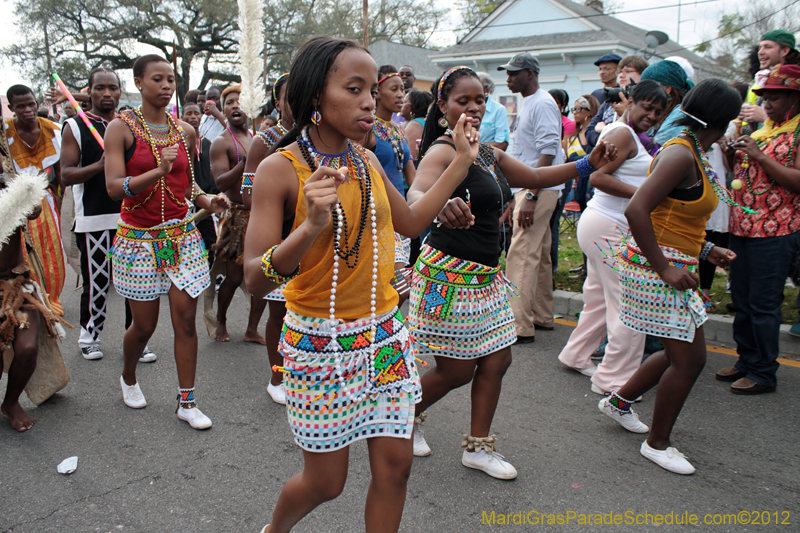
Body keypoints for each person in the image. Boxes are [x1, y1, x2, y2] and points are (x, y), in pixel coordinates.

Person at [242, 36, 486, 533]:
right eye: (353, 89)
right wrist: (309, 225)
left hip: (384, 340)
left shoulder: (365, 160)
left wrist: (460, 160)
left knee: (396, 468)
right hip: (319, 345)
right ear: (316, 96)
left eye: (371, 90)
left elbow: (413, 222)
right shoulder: (279, 169)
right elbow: (252, 276)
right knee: (326, 483)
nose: (369, 102)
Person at [407, 66, 617, 480]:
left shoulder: (488, 153)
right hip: (448, 278)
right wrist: (438, 203)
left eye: (479, 100)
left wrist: (585, 165)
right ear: (443, 106)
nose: (471, 108)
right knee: (455, 371)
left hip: (485, 279)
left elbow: (536, 177)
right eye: (461, 101)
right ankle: (404, 418)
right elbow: (416, 193)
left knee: (497, 361)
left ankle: (479, 448)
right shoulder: (443, 151)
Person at [600, 79, 741, 475]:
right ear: (724, 120)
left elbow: (674, 216)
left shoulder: (693, 149)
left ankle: (618, 402)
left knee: (678, 349)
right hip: (657, 266)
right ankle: (657, 444)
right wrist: (665, 267)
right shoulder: (682, 153)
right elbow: (638, 210)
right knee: (690, 358)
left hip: (675, 259)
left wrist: (707, 250)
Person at [104, 54, 229, 429]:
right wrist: (157, 169)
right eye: (157, 79)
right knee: (143, 326)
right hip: (138, 240)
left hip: (180, 237)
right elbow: (113, 189)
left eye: (171, 79)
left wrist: (209, 201)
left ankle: (187, 402)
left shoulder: (185, 132)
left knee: (186, 321)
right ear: (139, 82)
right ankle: (128, 376)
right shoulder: (120, 129)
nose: (166, 85)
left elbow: (187, 186)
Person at [557, 80, 667, 395]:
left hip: (603, 224)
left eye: (658, 111)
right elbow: (598, 177)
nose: (652, 115)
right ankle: (614, 380)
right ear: (629, 101)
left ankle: (576, 354)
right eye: (647, 107)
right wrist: (646, 194)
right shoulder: (622, 134)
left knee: (598, 298)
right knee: (628, 303)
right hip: (609, 225)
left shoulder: (621, 132)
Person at [59, 68, 157, 362]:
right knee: (98, 282)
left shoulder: (129, 126)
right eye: (99, 88)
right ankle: (90, 336)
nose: (107, 94)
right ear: (88, 91)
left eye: (113, 88)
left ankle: (136, 337)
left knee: (135, 282)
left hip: (132, 219)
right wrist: (100, 166)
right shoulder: (75, 126)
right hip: (93, 220)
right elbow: (66, 175)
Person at [716, 64, 800, 394]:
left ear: (794, 97)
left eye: (775, 98)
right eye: (764, 97)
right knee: (742, 300)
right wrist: (728, 154)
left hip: (777, 230)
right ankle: (746, 359)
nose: (767, 104)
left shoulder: (796, 133)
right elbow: (738, 174)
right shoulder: (761, 131)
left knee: (764, 305)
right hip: (743, 227)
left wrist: (760, 156)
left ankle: (764, 372)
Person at [499, 52, 565, 343]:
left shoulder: (542, 102)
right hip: (534, 189)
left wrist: (531, 195)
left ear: (531, 74)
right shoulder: (531, 103)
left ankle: (518, 325)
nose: (509, 78)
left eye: (514, 73)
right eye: (508, 73)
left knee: (522, 254)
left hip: (539, 189)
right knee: (538, 256)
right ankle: (541, 315)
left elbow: (549, 150)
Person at [242, 72, 294, 405]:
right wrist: (284, 202)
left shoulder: (322, 136)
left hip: (315, 239)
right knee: (280, 314)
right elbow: (248, 193)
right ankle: (277, 376)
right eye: (292, 96)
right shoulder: (265, 139)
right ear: (278, 102)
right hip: (281, 235)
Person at [208, 85, 266, 344]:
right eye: (229, 102)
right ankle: (221, 320)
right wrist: (246, 162)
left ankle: (252, 329)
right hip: (237, 216)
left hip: (260, 213)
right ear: (223, 110)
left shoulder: (255, 136)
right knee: (233, 276)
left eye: (239, 101)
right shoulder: (221, 142)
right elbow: (219, 182)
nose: (234, 105)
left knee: (265, 273)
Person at [4, 85, 67, 316]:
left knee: (52, 251)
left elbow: (62, 176)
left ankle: (51, 301)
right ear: (12, 108)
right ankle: (30, 299)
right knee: (23, 254)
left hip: (46, 202)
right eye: (21, 106)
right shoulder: (4, 133)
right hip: (15, 203)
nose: (28, 109)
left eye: (31, 104)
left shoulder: (53, 130)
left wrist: (65, 204)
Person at [364, 65, 416, 304]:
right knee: (399, 286)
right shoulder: (365, 129)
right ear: (376, 92)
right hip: (377, 215)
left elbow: (411, 176)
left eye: (402, 89)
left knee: (395, 289)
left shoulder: (398, 129)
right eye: (393, 88)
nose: (400, 95)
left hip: (400, 217)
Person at [182, 103, 218, 267]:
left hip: (205, 197)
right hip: (186, 198)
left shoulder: (208, 143)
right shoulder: (179, 142)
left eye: (196, 113)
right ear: (182, 118)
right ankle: (192, 268)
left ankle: (208, 270)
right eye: (188, 113)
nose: (193, 117)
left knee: (211, 240)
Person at [585, 55, 649, 147]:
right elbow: (589, 130)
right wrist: (603, 143)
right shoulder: (612, 99)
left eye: (628, 71)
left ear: (642, 74)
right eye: (620, 72)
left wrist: (605, 128)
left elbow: (648, 139)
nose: (621, 75)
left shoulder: (647, 102)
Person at [741, 30, 800, 124]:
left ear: (784, 51)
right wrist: (747, 120)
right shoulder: (761, 80)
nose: (760, 52)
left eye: (767, 47)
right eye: (760, 48)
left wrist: (765, 117)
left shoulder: (796, 80)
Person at [641, 60, 694, 145]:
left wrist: (629, 118)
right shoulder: (663, 111)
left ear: (667, 89)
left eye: (647, 86)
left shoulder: (681, 114)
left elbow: (655, 146)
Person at [477, 72, 510, 151]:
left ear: (486, 89)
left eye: (477, 86)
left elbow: (502, 145)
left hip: (488, 160)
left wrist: (472, 146)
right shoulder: (465, 108)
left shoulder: (498, 110)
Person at [400, 88, 432, 162]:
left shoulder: (414, 125)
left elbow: (411, 156)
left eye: (404, 102)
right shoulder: (422, 122)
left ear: (413, 107)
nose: (401, 105)